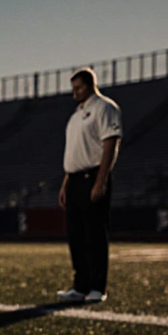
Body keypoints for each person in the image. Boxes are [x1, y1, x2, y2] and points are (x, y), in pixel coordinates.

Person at [56, 67, 121, 303]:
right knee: (76, 236)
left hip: (92, 177)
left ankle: (97, 287)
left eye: (79, 88)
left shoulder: (105, 108)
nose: (75, 93)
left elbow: (110, 144)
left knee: (95, 234)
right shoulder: (75, 116)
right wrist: (65, 184)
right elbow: (73, 153)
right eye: (72, 89)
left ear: (91, 85)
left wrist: (101, 180)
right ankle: (80, 285)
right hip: (74, 179)